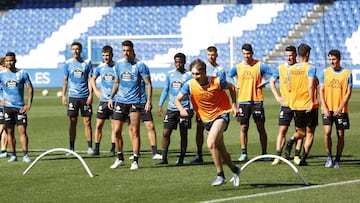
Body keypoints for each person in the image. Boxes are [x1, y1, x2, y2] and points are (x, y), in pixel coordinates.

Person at [174, 59, 240, 186]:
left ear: (204, 72)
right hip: (206, 119)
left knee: (210, 143)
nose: (195, 77)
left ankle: (220, 175)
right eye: (193, 74)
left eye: (197, 74)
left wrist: (233, 106)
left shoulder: (217, 81)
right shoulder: (189, 85)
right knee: (221, 148)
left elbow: (231, 87)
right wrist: (182, 110)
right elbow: (177, 100)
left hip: (221, 115)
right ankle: (235, 169)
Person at [108, 40, 152, 170]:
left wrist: (148, 101)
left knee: (134, 131)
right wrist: (111, 97)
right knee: (116, 131)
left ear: (132, 50)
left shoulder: (140, 65)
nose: (126, 53)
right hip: (120, 101)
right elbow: (116, 82)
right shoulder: (119, 65)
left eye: (128, 50)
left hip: (135, 102)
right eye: (123, 50)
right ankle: (120, 157)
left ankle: (135, 160)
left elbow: (148, 84)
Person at [228, 43, 272, 161]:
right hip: (243, 101)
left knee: (260, 127)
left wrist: (265, 82)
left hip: (257, 100)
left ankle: (264, 153)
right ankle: (244, 153)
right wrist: (234, 83)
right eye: (244, 54)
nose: (246, 56)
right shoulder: (238, 67)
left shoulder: (259, 65)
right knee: (243, 127)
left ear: (252, 53)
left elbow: (274, 73)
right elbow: (228, 76)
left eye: (248, 53)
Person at [190, 46, 226, 164]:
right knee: (199, 129)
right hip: (201, 107)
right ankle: (199, 153)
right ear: (206, 55)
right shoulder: (200, 69)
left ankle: (218, 154)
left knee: (215, 133)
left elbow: (223, 87)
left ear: (217, 55)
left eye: (213, 54)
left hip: (215, 107)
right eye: (209, 55)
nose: (211, 57)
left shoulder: (219, 70)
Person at [156, 53, 192, 165]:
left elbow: (193, 93)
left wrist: (191, 108)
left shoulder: (189, 75)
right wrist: (160, 104)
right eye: (176, 62)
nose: (178, 64)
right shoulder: (170, 74)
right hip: (172, 108)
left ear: (184, 62)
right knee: (166, 132)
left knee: (183, 133)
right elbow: (166, 89)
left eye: (180, 62)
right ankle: (164, 158)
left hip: (184, 108)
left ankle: (181, 158)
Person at [269, 46, 303, 165]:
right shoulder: (280, 68)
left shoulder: (300, 68)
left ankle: (297, 155)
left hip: (299, 104)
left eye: (291, 55)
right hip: (285, 105)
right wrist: (277, 97)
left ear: (295, 56)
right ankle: (278, 156)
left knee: (299, 130)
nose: (289, 58)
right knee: (282, 129)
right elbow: (272, 82)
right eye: (287, 55)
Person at [284, 43, 317, 166]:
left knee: (300, 132)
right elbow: (310, 85)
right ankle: (303, 159)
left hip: (296, 105)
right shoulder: (310, 68)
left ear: (298, 54)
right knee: (309, 133)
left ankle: (291, 140)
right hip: (308, 104)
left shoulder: (290, 69)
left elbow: (288, 87)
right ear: (308, 54)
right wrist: (312, 101)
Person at [319, 50, 352, 168]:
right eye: (330, 59)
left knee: (340, 135)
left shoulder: (347, 73)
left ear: (339, 59)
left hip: (341, 110)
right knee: (327, 132)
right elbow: (321, 91)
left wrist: (341, 107)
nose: (331, 61)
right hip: (327, 108)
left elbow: (348, 92)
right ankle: (329, 157)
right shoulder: (325, 72)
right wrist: (325, 107)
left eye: (334, 59)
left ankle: (337, 159)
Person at [0, 52, 33, 162]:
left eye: (11, 60)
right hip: (8, 108)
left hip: (20, 108)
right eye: (7, 61)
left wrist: (29, 104)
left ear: (15, 61)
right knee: (9, 132)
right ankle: (13, 154)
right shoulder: (2, 74)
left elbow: (30, 88)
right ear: (5, 62)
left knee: (22, 131)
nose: (9, 63)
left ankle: (25, 155)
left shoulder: (22, 73)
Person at [62, 41, 94, 155]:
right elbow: (65, 80)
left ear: (80, 50)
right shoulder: (68, 64)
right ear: (71, 51)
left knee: (87, 122)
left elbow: (91, 80)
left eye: (77, 49)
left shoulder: (87, 63)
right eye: (73, 49)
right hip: (73, 97)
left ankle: (90, 147)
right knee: (73, 122)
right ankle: (71, 148)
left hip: (85, 96)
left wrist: (91, 94)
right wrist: (63, 95)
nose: (75, 51)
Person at [90, 45, 118, 156]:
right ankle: (96, 149)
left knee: (114, 126)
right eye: (103, 55)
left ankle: (113, 148)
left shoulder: (117, 67)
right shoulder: (100, 68)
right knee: (98, 125)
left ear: (112, 55)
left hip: (116, 100)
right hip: (104, 100)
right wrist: (96, 92)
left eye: (107, 55)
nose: (105, 57)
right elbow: (92, 79)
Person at [128, 80, 162, 160]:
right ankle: (136, 152)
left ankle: (154, 152)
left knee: (150, 126)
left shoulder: (142, 70)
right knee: (132, 128)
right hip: (131, 102)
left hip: (143, 102)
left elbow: (149, 84)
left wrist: (149, 101)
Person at [0, 57, 8, 158]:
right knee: (2, 126)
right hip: (1, 104)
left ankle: (4, 150)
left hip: (7, 104)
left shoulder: (6, 75)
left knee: (6, 127)